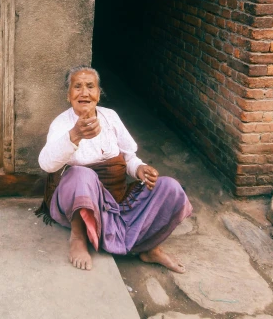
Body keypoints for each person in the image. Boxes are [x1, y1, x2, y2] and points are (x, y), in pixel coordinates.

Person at [37, 66, 192, 272]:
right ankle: (78, 237)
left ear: (98, 94)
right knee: (80, 174)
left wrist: (139, 168)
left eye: (90, 87)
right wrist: (74, 135)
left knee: (169, 187)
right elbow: (46, 164)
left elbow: (128, 156)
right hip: (80, 201)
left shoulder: (110, 117)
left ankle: (150, 247)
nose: (84, 93)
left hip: (115, 199)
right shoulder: (62, 123)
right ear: (69, 95)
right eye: (78, 87)